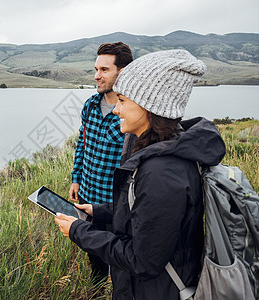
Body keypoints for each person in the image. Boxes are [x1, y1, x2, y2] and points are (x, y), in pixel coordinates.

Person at [55, 49, 226, 299]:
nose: (116, 110)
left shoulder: (162, 173)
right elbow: (146, 216)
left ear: (150, 106)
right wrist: (100, 211)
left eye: (123, 100)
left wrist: (78, 231)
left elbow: (142, 261)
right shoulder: (157, 154)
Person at [69, 42, 133, 282]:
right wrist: (76, 178)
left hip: (114, 205)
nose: (97, 76)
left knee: (119, 262)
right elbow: (82, 144)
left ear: (122, 71)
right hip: (87, 197)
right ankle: (96, 290)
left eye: (104, 70)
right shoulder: (90, 105)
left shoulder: (133, 112)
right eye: (96, 69)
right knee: (94, 257)